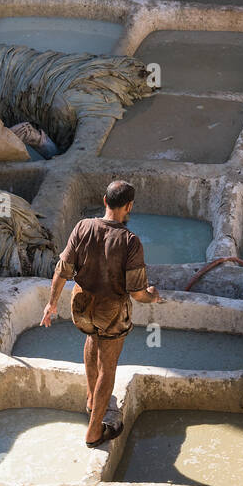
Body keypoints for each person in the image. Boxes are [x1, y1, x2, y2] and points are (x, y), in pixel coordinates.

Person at [40, 180, 162, 446]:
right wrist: (153, 296)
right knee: (108, 366)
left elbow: (63, 270)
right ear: (129, 206)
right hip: (111, 311)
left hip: (81, 306)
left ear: (104, 201)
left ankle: (92, 400)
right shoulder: (130, 242)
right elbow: (137, 293)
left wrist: (51, 303)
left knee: (91, 339)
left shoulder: (83, 227)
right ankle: (95, 431)